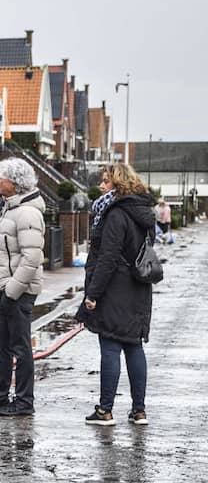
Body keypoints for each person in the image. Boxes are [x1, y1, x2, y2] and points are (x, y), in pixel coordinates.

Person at [78, 163, 155, 426]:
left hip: (115, 289)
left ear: (118, 184)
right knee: (134, 345)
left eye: (106, 181)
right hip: (139, 287)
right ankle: (139, 410)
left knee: (110, 345)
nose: (101, 186)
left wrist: (93, 293)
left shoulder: (115, 214)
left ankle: (105, 410)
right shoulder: (144, 213)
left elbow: (107, 258)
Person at [0, 158, 44, 417]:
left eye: (0, 177)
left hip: (18, 291)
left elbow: (31, 257)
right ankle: (0, 393)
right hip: (7, 288)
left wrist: (13, 291)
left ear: (14, 183)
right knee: (2, 342)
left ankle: (25, 401)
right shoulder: (11, 209)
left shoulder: (26, 214)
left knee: (20, 346)